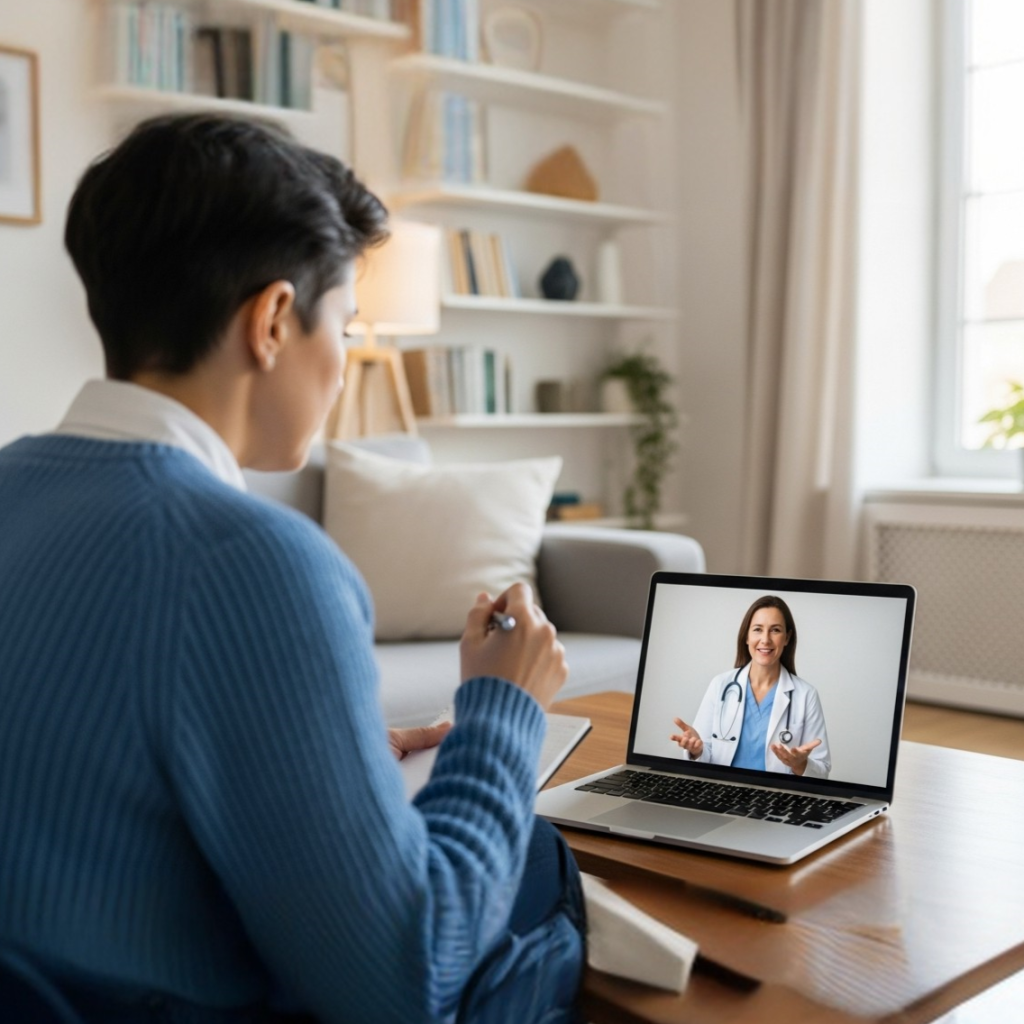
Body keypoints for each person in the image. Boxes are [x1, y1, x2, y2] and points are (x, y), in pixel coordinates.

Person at [0, 114, 585, 1023]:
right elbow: (398, 983)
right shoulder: (256, 564)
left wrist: (315, 747)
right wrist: (500, 711)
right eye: (344, 325)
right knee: (542, 864)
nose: (345, 365)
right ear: (273, 321)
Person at [670, 595, 830, 778]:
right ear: (746, 636)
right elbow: (703, 755)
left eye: (775, 630)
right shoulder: (720, 685)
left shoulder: (805, 695)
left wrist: (801, 765)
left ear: (787, 638)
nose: (765, 639)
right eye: (757, 630)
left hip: (776, 798)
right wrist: (696, 751)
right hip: (722, 791)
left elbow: (822, 770)